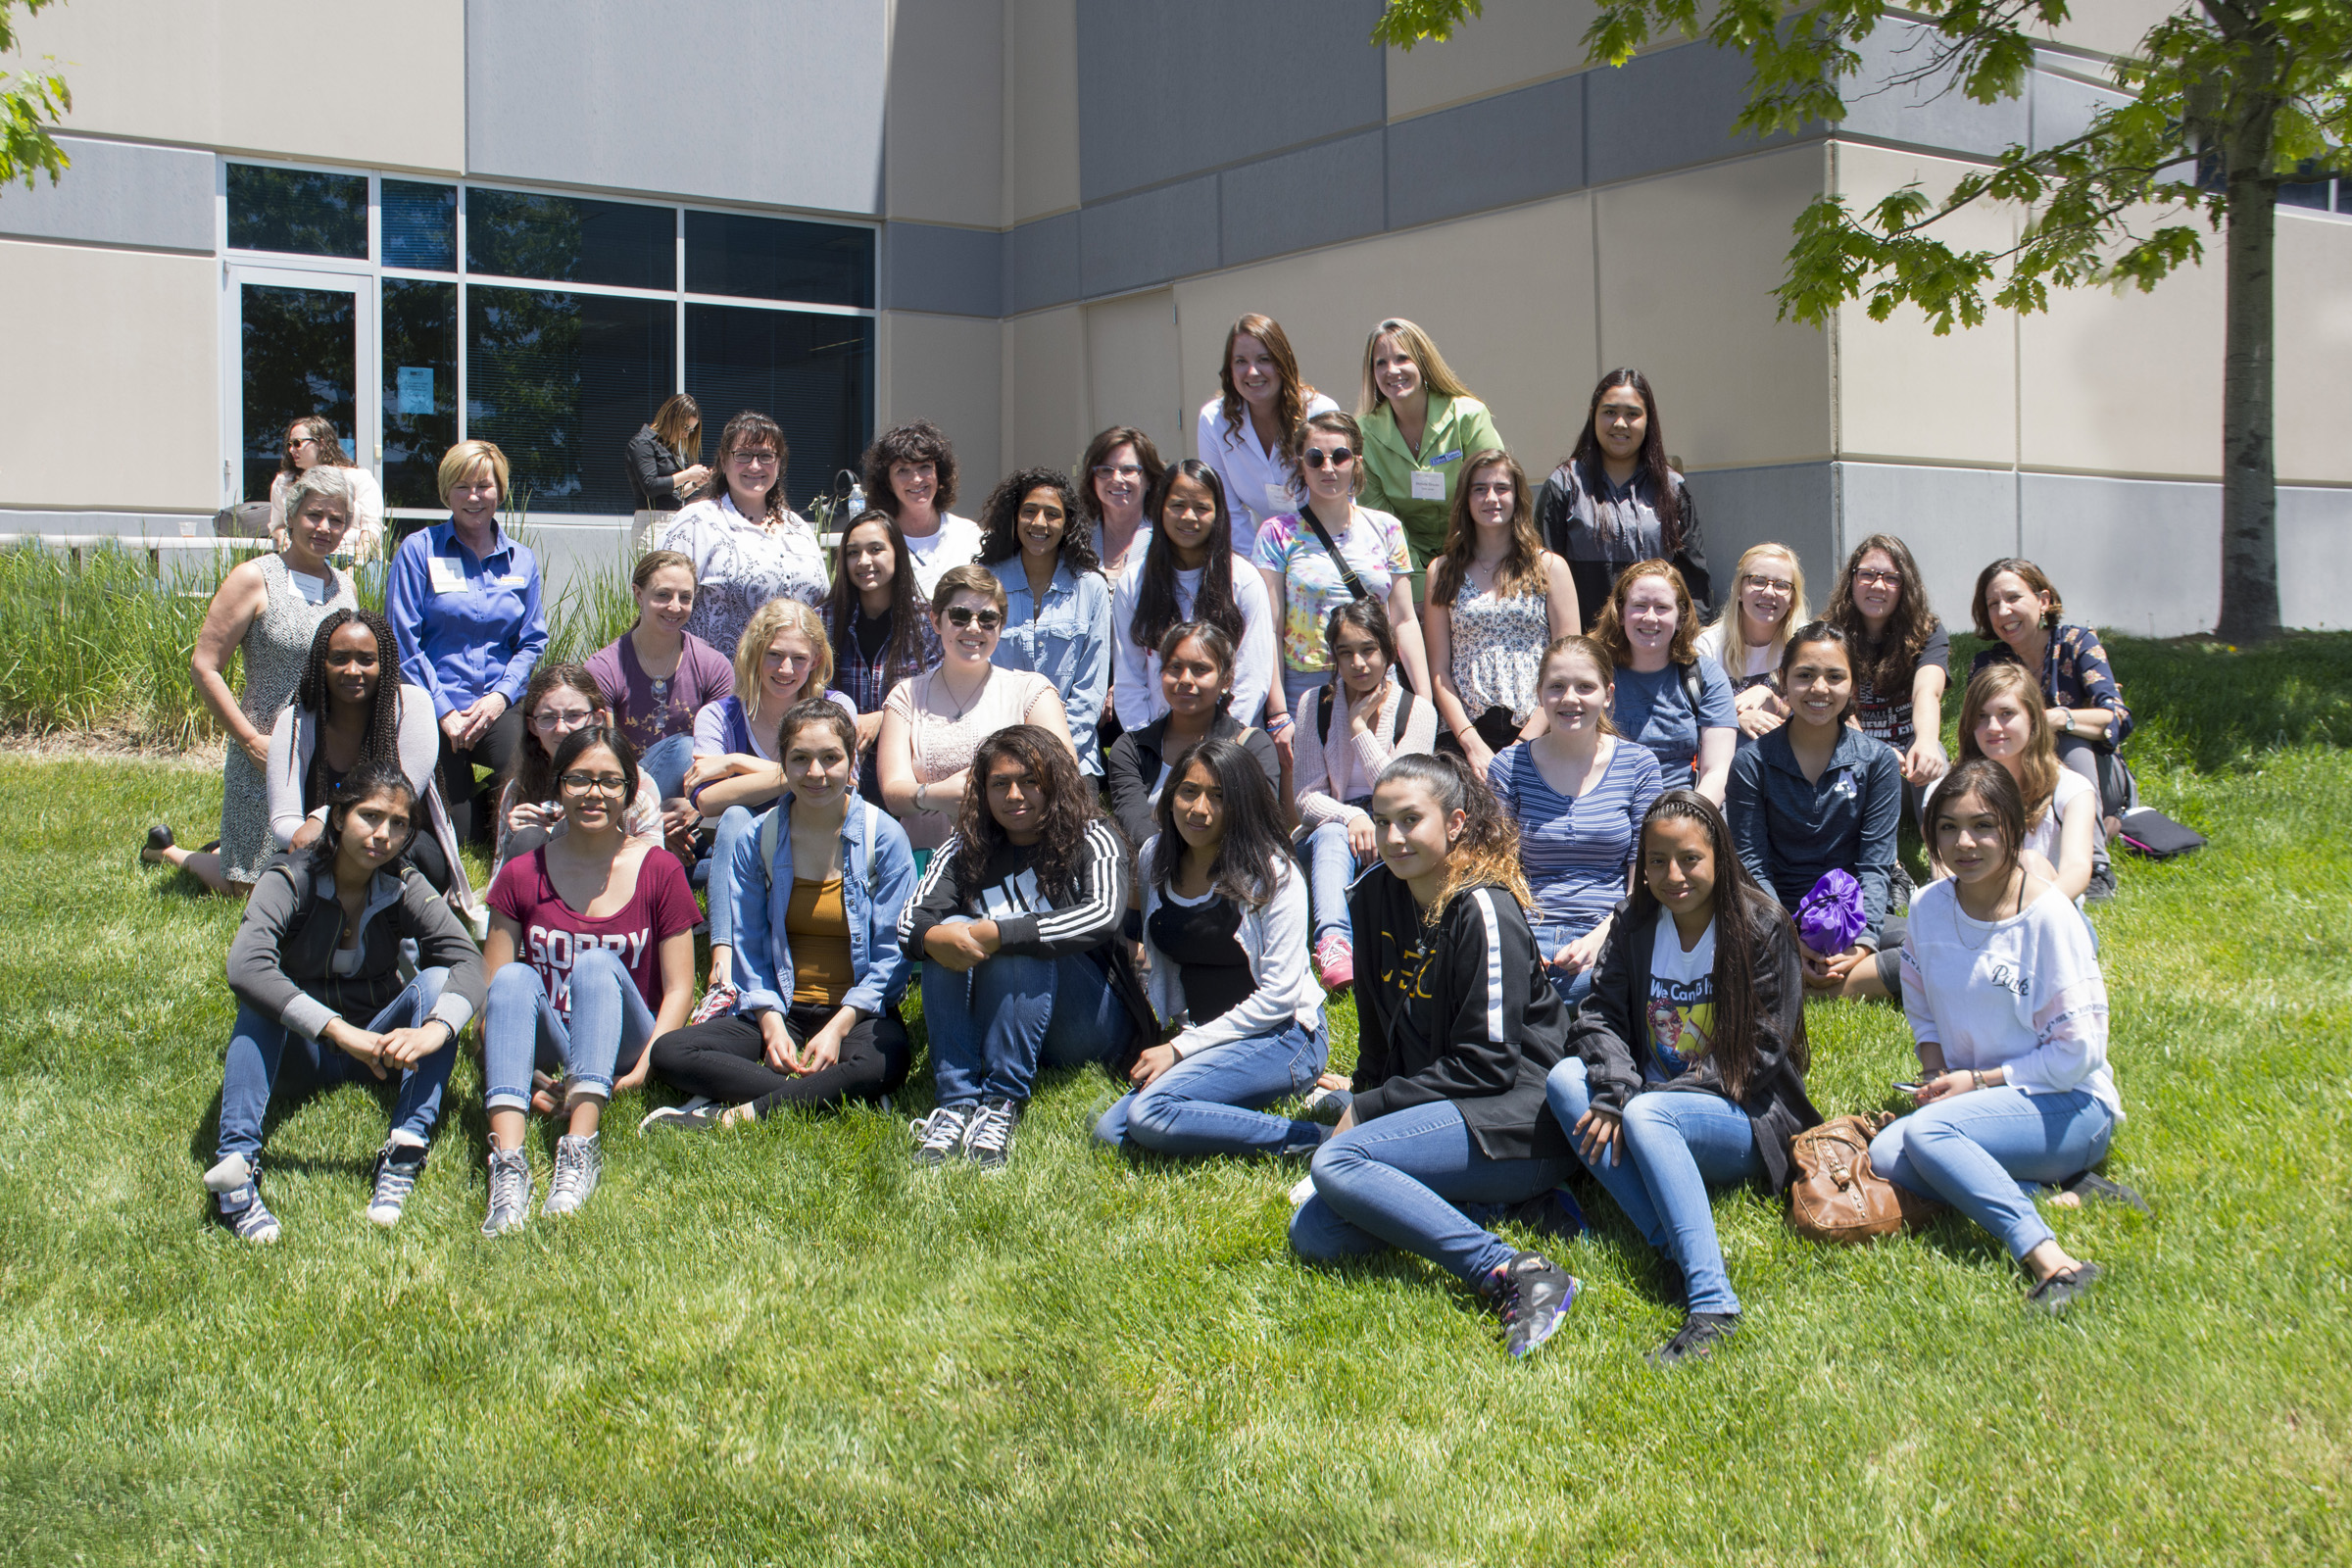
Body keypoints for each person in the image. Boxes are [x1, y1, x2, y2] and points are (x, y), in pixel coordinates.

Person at [1290, 752, 1582, 1360]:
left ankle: (1514, 1271)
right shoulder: (1373, 897)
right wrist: (1371, 1091)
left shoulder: (1485, 908)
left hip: (1518, 1120)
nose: (1393, 838)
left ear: (1453, 824)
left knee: (1340, 1166)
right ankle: (1494, 1202)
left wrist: (1369, 1109)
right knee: (1315, 1232)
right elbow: (1379, 1035)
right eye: (1382, 819)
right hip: (1447, 1109)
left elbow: (1491, 1064)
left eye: (1410, 820)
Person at [1544, 790, 1821, 1365]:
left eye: (1689, 858)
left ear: (1718, 854)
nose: (1673, 875)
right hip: (1648, 1103)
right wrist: (1617, 1088)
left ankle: (1713, 1305)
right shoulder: (1635, 921)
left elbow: (1761, 1055)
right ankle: (1670, 1242)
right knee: (1567, 1081)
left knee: (1647, 1112)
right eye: (1655, 860)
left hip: (1743, 1114)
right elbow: (1599, 1016)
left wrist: (1640, 1101)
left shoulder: (1763, 925)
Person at [1871, 760, 2125, 1315]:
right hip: (1978, 1103)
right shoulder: (1927, 907)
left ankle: (2052, 1261)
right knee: (1888, 1152)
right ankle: (2057, 1187)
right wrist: (1936, 1072)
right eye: (1947, 827)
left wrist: (1981, 1080)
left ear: (2013, 828)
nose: (1965, 842)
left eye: (1983, 825)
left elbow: (2080, 1053)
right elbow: (1919, 1002)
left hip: (2070, 1103)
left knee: (1930, 1138)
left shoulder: (2049, 918)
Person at [206, 763, 485, 1243]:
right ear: (338, 818)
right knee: (261, 998)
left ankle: (405, 1148)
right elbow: (246, 967)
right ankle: (236, 1169)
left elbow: (468, 962)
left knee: (439, 981)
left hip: (382, 1052)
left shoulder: (402, 882)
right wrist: (338, 1031)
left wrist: (434, 1031)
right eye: (370, 817)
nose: (384, 835)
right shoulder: (289, 879)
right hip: (304, 1050)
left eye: (399, 824)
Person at [645, 701, 918, 1128]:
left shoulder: (883, 838)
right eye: (800, 759)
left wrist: (839, 1027)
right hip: (783, 1006)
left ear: (851, 765)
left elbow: (892, 955)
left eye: (830, 758)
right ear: (782, 765)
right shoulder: (758, 838)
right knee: (670, 1053)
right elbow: (748, 946)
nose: (815, 772)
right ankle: (828, 1093)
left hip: (856, 1011)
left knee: (886, 1062)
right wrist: (770, 1021)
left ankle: (736, 1116)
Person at [898, 725, 1150, 1171]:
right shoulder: (964, 843)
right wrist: (933, 938)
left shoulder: (1094, 835)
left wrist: (1001, 934)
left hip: (1090, 1019)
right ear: (982, 790)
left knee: (1010, 936)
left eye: (1030, 781)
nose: (1015, 795)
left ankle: (1000, 1103)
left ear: (1055, 782)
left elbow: (1103, 914)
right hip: (1003, 1016)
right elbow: (909, 921)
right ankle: (956, 1103)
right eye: (1000, 784)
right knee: (946, 930)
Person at [480, 726, 700, 1233]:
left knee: (599, 965)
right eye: (579, 780)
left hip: (624, 1038)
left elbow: (680, 988)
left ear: (629, 792)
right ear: (558, 786)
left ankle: (579, 1150)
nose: (594, 793)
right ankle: (509, 1166)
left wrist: (646, 1068)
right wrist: (522, 1074)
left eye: (609, 781)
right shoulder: (521, 873)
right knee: (512, 979)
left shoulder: (659, 869)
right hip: (551, 1038)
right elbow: (490, 994)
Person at [1094, 738, 1329, 1159]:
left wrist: (1180, 1050)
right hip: (1206, 1036)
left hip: (1285, 1034)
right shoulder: (1155, 857)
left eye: (1218, 797)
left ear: (1242, 804)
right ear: (1170, 796)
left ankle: (1319, 1138)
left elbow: (1280, 998)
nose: (1199, 809)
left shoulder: (1273, 875)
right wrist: (1181, 1035)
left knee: (1150, 1116)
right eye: (1189, 791)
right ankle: (1294, 1096)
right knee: (1111, 1131)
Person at [144, 466, 358, 895]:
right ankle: (167, 852)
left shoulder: (345, 586)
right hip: (264, 744)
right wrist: (249, 739)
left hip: (328, 745)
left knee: (322, 871)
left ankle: (227, 849)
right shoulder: (254, 578)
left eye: (336, 520)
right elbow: (204, 666)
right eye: (315, 515)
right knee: (250, 886)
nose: (324, 527)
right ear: (293, 517)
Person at [685, 600, 859, 1013]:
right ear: (755, 654)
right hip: (736, 855)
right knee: (734, 818)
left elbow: (844, 783)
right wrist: (800, 774)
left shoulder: (835, 709)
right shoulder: (720, 715)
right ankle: (723, 973)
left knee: (736, 811)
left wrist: (736, 763)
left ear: (816, 659)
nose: (786, 669)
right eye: (775, 655)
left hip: (817, 845)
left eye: (799, 658)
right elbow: (706, 798)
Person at [1485, 635, 1664, 1007]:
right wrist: (1523, 940)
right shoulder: (1508, 767)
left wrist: (1601, 938)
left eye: (1585, 686)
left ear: (1608, 693)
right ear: (1539, 694)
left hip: (1611, 928)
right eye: (1557, 687)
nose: (1570, 698)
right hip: (1526, 929)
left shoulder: (1638, 765)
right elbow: (1496, 871)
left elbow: (1644, 875)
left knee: (1589, 988)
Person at [385, 440, 548, 847]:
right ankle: (468, 811)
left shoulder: (521, 560)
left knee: (530, 781)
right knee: (448, 835)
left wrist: (498, 699)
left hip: (497, 705)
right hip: (432, 704)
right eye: (462, 486)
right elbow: (403, 640)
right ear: (446, 492)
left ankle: (490, 804)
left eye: (484, 486)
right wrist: (444, 712)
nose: (474, 497)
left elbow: (530, 642)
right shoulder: (418, 551)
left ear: (500, 490)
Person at [1724, 621, 1903, 992]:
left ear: (1852, 686)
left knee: (1932, 947)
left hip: (1852, 913)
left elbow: (1875, 862)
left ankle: (1821, 984)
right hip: (1776, 915)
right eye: (1805, 675)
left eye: (1834, 676)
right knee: (1722, 948)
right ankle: (1838, 980)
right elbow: (1752, 865)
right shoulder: (1752, 763)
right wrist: (1789, 936)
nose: (1819, 688)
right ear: (1783, 679)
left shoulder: (1877, 761)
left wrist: (1865, 941)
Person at [264, 609, 473, 910]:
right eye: (339, 658)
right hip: (323, 846)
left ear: (384, 663)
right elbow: (283, 819)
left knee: (386, 861)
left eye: (366, 659)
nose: (352, 670)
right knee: (278, 871)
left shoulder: (413, 706)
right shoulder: (296, 721)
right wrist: (314, 837)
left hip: (402, 843)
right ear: (320, 664)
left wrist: (322, 819)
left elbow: (396, 800)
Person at [1291, 601, 1439, 990]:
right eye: (1346, 653)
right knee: (1330, 832)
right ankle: (1333, 943)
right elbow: (1307, 798)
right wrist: (1350, 817)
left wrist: (1359, 728)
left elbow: (1404, 791)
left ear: (1389, 652)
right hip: (1330, 835)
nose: (1358, 663)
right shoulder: (1314, 705)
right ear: (1334, 659)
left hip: (1393, 827)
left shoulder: (1418, 711)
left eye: (1368, 650)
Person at [878, 564, 1075, 856]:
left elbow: (1064, 775)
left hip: (1013, 861)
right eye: (959, 616)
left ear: (1001, 625)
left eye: (987, 619)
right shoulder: (906, 696)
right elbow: (893, 793)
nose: (973, 627)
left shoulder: (1032, 692)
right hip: (926, 861)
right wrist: (932, 795)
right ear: (936, 621)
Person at [1252, 410, 1431, 712]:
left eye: (1340, 456)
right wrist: (1278, 712)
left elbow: (1403, 619)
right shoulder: (1277, 533)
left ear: (1356, 462)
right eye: (1315, 458)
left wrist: (1424, 702)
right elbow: (1269, 629)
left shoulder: (1387, 528)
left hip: (1375, 679)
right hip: (1307, 687)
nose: (1328, 467)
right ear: (1300, 465)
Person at [1423, 449, 1579, 771]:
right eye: (1479, 489)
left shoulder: (1550, 567)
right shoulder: (1441, 571)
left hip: (1539, 729)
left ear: (1518, 496)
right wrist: (1470, 742)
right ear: (1465, 499)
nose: (1491, 497)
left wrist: (1524, 743)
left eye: (1501, 488)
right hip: (1466, 733)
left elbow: (1571, 666)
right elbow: (1439, 671)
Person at [1109, 461, 1279, 731]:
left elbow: (1252, 676)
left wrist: (1218, 743)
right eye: (1178, 505)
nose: (1189, 516)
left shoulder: (1245, 581)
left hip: (1227, 747)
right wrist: (1146, 746)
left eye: (1202, 508)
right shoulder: (1133, 583)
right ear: (1160, 509)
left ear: (1218, 514)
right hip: (1156, 746)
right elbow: (1129, 679)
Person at [1537, 369, 1711, 624]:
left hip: (1654, 649)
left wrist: (1695, 645)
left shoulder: (1672, 488)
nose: (1620, 423)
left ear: (1648, 420)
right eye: (1609, 412)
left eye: (1632, 414)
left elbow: (1694, 580)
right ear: (1592, 415)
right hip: (1586, 650)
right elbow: (1541, 576)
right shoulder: (1565, 484)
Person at [1970, 559, 2133, 826]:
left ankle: (2094, 853)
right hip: (2022, 775)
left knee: (2067, 741)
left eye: (2013, 598)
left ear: (2043, 601)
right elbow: (1977, 729)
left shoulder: (2078, 644)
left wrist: (2060, 719)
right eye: (1993, 604)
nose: (2003, 611)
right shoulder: (1988, 664)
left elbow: (2117, 717)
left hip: (2092, 772)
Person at [657, 411, 828, 662]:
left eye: (766, 456)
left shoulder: (799, 528)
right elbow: (660, 601)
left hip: (793, 685)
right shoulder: (696, 521)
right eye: (743, 455)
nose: (755, 465)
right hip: (719, 687)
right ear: (724, 462)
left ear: (779, 464)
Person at [585, 550, 732, 843]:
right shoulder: (605, 667)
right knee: (683, 748)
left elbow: (725, 751)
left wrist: (696, 806)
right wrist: (646, 811)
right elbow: (602, 753)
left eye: (685, 598)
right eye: (663, 595)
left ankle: (670, 849)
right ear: (638, 595)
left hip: (693, 798)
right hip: (625, 793)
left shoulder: (712, 664)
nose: (675, 607)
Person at [979, 466, 1114, 777]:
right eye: (1029, 511)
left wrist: (1049, 756)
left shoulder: (1090, 587)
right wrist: (1009, 756)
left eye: (1052, 514)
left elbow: (1090, 693)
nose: (1040, 523)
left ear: (1067, 524)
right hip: (997, 756)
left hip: (1071, 759)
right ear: (1014, 518)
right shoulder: (987, 583)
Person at [1353, 318, 1506, 585]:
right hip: (1404, 564)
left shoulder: (1467, 416)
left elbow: (1494, 497)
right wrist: (1420, 585)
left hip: (1479, 552)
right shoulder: (1364, 434)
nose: (1392, 370)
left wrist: (1472, 568)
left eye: (1402, 358)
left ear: (1422, 362)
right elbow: (1382, 523)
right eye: (1381, 363)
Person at [1103, 622, 1281, 853]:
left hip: (1228, 874)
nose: (1185, 679)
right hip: (1152, 872)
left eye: (1200, 669)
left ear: (1226, 680)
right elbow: (1135, 825)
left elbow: (1258, 825)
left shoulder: (1251, 747)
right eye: (1175, 667)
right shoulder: (1131, 749)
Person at [491, 663, 666, 881]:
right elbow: (495, 890)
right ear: (532, 726)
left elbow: (655, 874)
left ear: (597, 718)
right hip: (539, 901)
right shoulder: (520, 787)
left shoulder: (637, 786)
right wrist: (513, 840)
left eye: (573, 715)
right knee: (529, 838)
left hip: (610, 893)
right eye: (548, 717)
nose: (561, 728)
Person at [1592, 561, 1737, 804]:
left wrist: (1691, 821)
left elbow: (1717, 771)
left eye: (1661, 608)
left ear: (1680, 618)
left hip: (1681, 808)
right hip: (1608, 809)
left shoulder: (1705, 675)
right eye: (1639, 606)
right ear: (1620, 613)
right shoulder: (1594, 671)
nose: (1650, 617)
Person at [821, 509, 939, 805]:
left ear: (897, 553)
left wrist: (885, 718)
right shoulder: (823, 619)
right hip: (836, 765)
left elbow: (942, 695)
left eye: (876, 549)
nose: (863, 561)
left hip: (907, 762)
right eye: (852, 552)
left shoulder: (928, 621)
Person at [1197, 313, 1340, 551]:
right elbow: (1228, 512)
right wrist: (1260, 568)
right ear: (1229, 369)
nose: (1252, 372)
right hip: (1257, 550)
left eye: (1264, 359)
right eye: (1240, 361)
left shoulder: (1319, 412)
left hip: (1326, 543)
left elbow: (1340, 497)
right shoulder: (1213, 421)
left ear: (1283, 363)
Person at [1824, 533, 1949, 800]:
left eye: (1891, 578)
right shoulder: (1830, 635)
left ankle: (1940, 832)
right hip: (1852, 749)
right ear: (1851, 580)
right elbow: (1832, 707)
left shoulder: (1927, 632)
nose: (1878, 586)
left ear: (1905, 587)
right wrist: (1873, 750)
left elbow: (1927, 691)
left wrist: (1926, 742)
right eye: (1868, 575)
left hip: (1910, 751)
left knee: (1935, 766)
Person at [1696, 542, 1809, 743]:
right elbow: (1693, 713)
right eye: (1757, 581)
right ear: (1739, 590)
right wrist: (1735, 718)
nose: (1769, 592)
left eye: (1782, 585)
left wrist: (1769, 696)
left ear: (1792, 599)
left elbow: (1817, 711)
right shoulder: (1708, 646)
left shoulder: (1806, 642)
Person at [860, 419, 982, 600]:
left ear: (939, 474)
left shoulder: (968, 535)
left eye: (924, 467)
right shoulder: (875, 538)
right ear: (887, 482)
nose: (916, 479)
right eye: (903, 470)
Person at [268, 416, 385, 563]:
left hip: (352, 556)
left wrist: (358, 565)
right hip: (303, 559)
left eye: (297, 443)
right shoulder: (284, 482)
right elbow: (276, 525)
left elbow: (372, 527)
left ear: (321, 443)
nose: (291, 450)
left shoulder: (358, 477)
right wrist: (283, 536)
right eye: (289, 444)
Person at [1078, 424, 1163, 582]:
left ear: (1150, 479)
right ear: (1092, 480)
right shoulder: (1078, 542)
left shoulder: (1164, 540)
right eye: (1105, 470)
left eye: (1129, 469)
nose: (1116, 479)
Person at [625, 392, 711, 526]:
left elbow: (675, 493)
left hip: (672, 520)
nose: (686, 434)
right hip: (652, 522)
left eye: (691, 430)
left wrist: (696, 484)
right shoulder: (643, 443)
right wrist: (688, 474)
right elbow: (651, 487)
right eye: (685, 428)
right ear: (672, 418)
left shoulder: (669, 448)